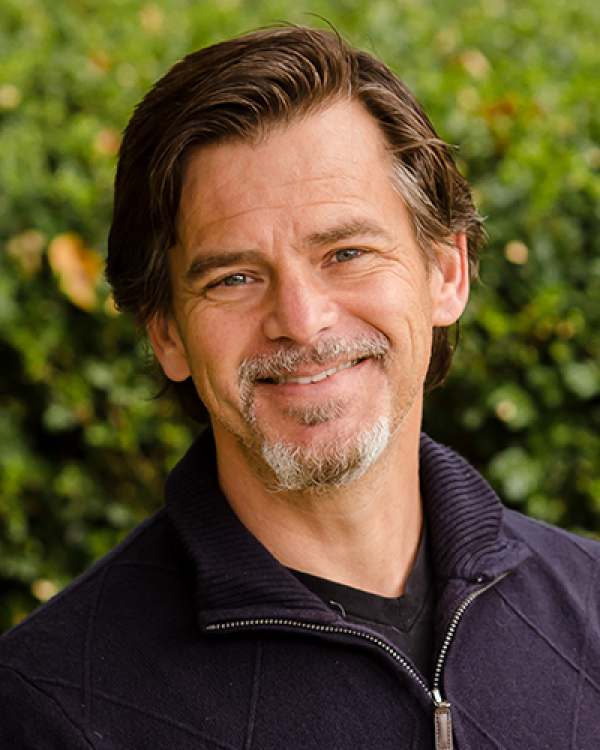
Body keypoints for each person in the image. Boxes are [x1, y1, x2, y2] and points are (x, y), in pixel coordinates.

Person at [1, 25, 599, 750]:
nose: (301, 320)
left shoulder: (592, 604)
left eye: (346, 252)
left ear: (447, 273)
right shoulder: (50, 707)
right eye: (234, 278)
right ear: (166, 334)